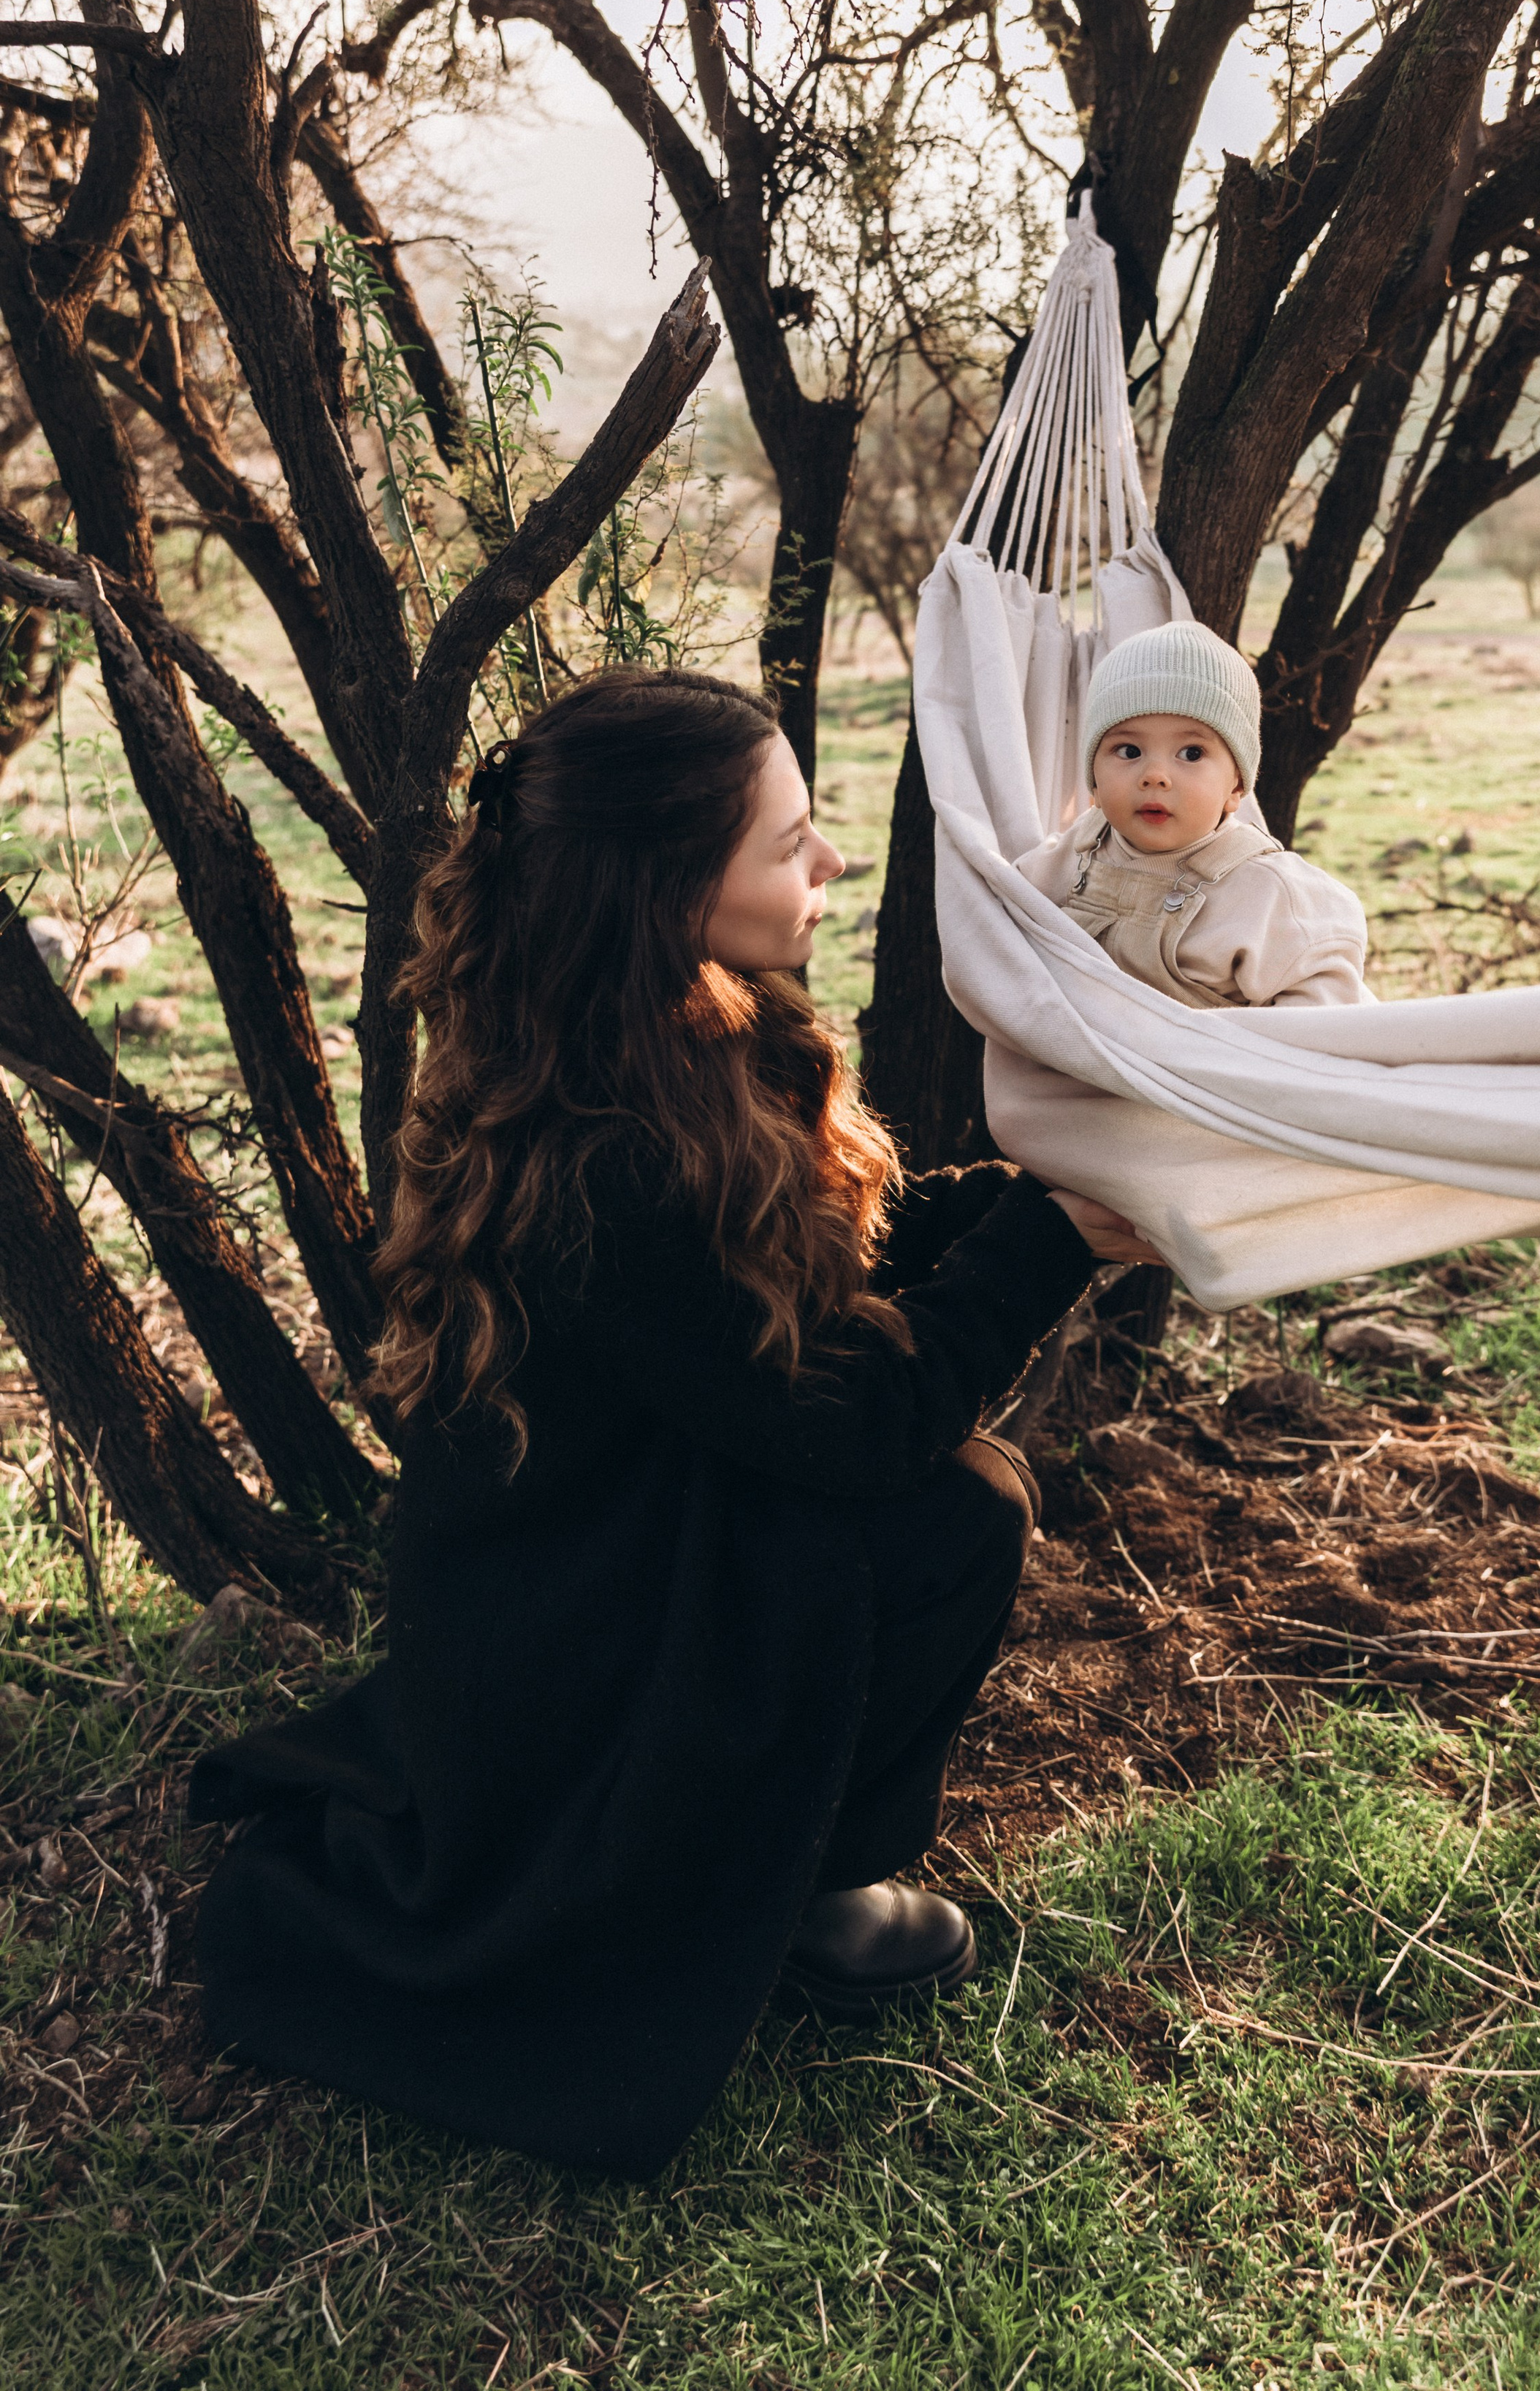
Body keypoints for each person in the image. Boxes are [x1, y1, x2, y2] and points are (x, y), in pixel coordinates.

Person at [188, 665, 1154, 2177]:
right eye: (789, 842)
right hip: (578, 1615)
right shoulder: (599, 1154)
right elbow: (845, 1427)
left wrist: (1025, 1204)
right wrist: (1051, 1252)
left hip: (625, 1521)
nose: (827, 862)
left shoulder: (667, 1027)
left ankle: (808, 1863)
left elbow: (820, 1267)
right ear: (663, 887)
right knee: (958, 1506)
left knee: (953, 1494)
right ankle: (822, 1888)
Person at [1015, 620, 1370, 1008]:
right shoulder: (1080, 849)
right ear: (1094, 782)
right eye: (1129, 751)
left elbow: (1324, 1020)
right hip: (1081, 1061)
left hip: (1203, 1066)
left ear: (1236, 788)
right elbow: (1005, 911)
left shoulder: (1268, 893)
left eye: (1191, 754)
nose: (1155, 777)